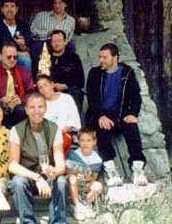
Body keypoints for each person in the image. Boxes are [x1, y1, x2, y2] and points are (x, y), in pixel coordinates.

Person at [85, 43, 147, 187]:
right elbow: (92, 98)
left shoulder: (127, 73)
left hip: (120, 115)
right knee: (102, 129)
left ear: (115, 58)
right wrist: (100, 115)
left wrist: (132, 113)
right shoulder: (94, 73)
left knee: (131, 127)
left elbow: (136, 96)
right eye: (100, 57)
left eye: (105, 57)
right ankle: (110, 169)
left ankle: (137, 168)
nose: (101, 60)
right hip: (99, 114)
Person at [7, 93, 67, 224]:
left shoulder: (54, 128)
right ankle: (28, 221)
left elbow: (61, 165)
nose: (36, 111)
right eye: (32, 107)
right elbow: (12, 165)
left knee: (61, 181)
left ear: (45, 109)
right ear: (26, 110)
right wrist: (37, 177)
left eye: (40, 107)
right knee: (18, 182)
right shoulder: (17, 130)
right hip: (28, 177)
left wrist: (54, 172)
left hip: (47, 176)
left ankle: (58, 222)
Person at [0, 41, 35, 128]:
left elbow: (31, 93)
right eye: (9, 57)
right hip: (0, 109)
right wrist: (0, 100)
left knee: (22, 109)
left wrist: (21, 100)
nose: (12, 60)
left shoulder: (24, 72)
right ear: (0, 57)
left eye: (15, 57)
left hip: (18, 111)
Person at [30, 0, 76, 75]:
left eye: (60, 3)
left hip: (60, 44)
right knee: (37, 47)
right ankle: (36, 78)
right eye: (55, 3)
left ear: (65, 4)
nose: (57, 5)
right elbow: (32, 30)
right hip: (42, 42)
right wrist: (48, 33)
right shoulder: (41, 16)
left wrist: (57, 39)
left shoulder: (70, 20)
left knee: (71, 47)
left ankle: (66, 77)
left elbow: (68, 37)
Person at [36, 75, 81, 157]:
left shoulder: (66, 98)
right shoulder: (40, 104)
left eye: (45, 85)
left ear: (52, 84)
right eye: (40, 87)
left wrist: (59, 132)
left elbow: (72, 122)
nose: (44, 89)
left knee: (58, 145)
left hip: (64, 133)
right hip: (47, 136)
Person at [0, 0, 33, 72]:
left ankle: (26, 83)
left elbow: (28, 50)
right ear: (2, 9)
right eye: (6, 6)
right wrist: (20, 52)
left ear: (17, 9)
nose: (9, 9)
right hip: (3, 57)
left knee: (26, 59)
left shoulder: (23, 25)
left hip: (20, 58)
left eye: (12, 6)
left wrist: (23, 45)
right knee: (0, 58)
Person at [66, 128, 104, 221]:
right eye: (82, 140)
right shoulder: (74, 155)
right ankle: (77, 205)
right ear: (78, 141)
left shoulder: (96, 159)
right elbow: (67, 171)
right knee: (72, 179)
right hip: (74, 183)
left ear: (94, 142)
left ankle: (87, 203)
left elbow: (95, 176)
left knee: (98, 186)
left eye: (88, 140)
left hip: (87, 183)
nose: (85, 143)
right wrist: (75, 173)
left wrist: (89, 178)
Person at [43, 30, 84, 112]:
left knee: (77, 92)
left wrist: (65, 85)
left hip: (67, 90)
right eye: (54, 41)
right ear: (50, 43)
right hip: (49, 90)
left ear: (65, 42)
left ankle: (73, 124)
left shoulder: (73, 58)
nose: (56, 44)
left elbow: (80, 81)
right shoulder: (45, 57)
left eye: (59, 41)